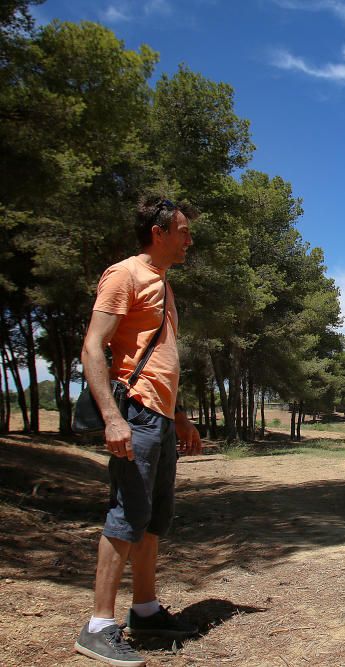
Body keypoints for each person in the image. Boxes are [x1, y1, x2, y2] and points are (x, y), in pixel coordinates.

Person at [74, 195, 204, 667]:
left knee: (152, 519)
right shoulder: (124, 274)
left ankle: (144, 610)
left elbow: (163, 362)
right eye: (184, 230)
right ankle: (98, 626)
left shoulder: (165, 286)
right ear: (160, 232)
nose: (190, 239)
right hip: (136, 413)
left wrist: (182, 414)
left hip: (162, 417)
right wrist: (112, 417)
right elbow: (93, 348)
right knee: (127, 515)